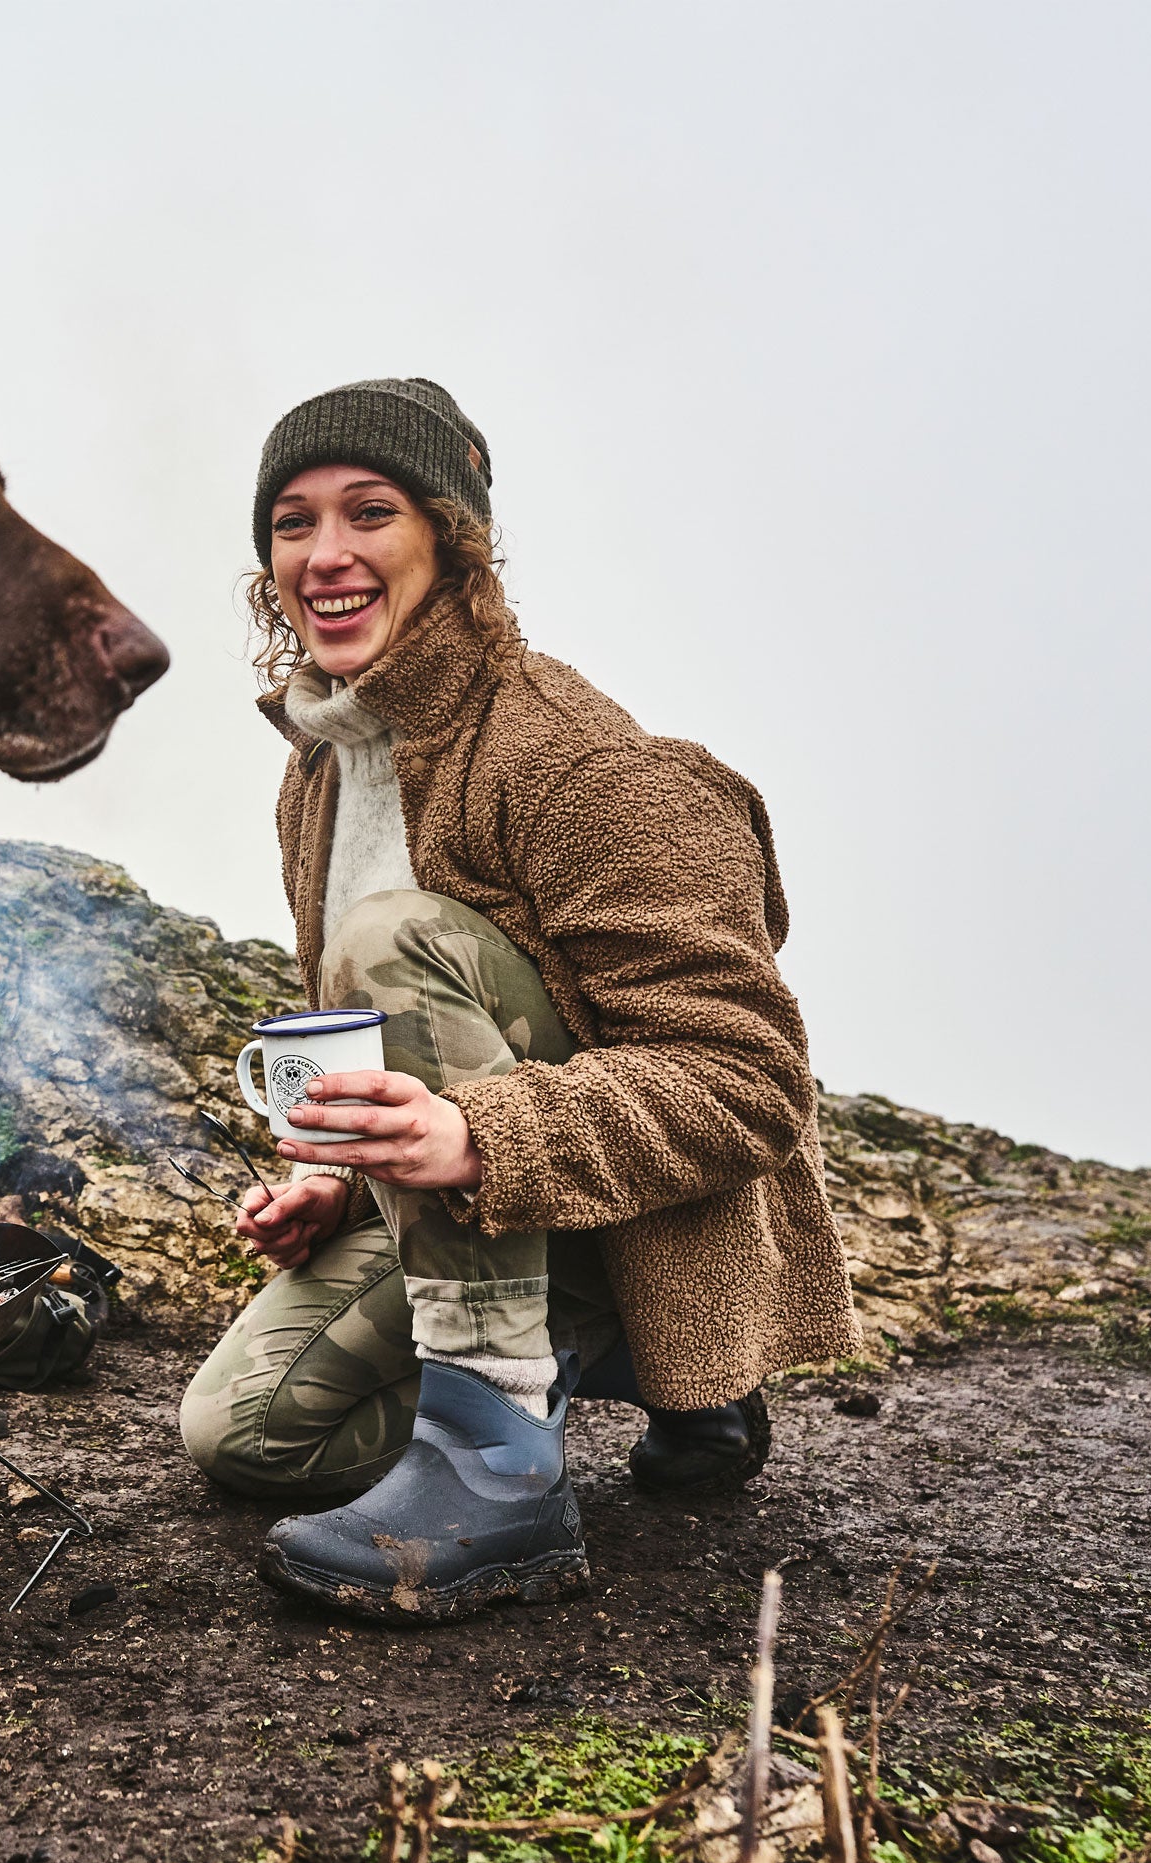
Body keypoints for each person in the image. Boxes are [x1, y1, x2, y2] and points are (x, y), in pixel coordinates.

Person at [178, 378, 861, 1623]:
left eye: (368, 513)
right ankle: (654, 1366)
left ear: (452, 537)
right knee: (244, 1433)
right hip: (490, 1207)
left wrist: (476, 1134)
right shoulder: (324, 773)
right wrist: (347, 1170)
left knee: (393, 938)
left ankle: (499, 1458)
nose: (323, 555)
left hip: (619, 1200)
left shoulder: (580, 764)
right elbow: (408, 1040)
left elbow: (750, 1081)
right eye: (292, 521)